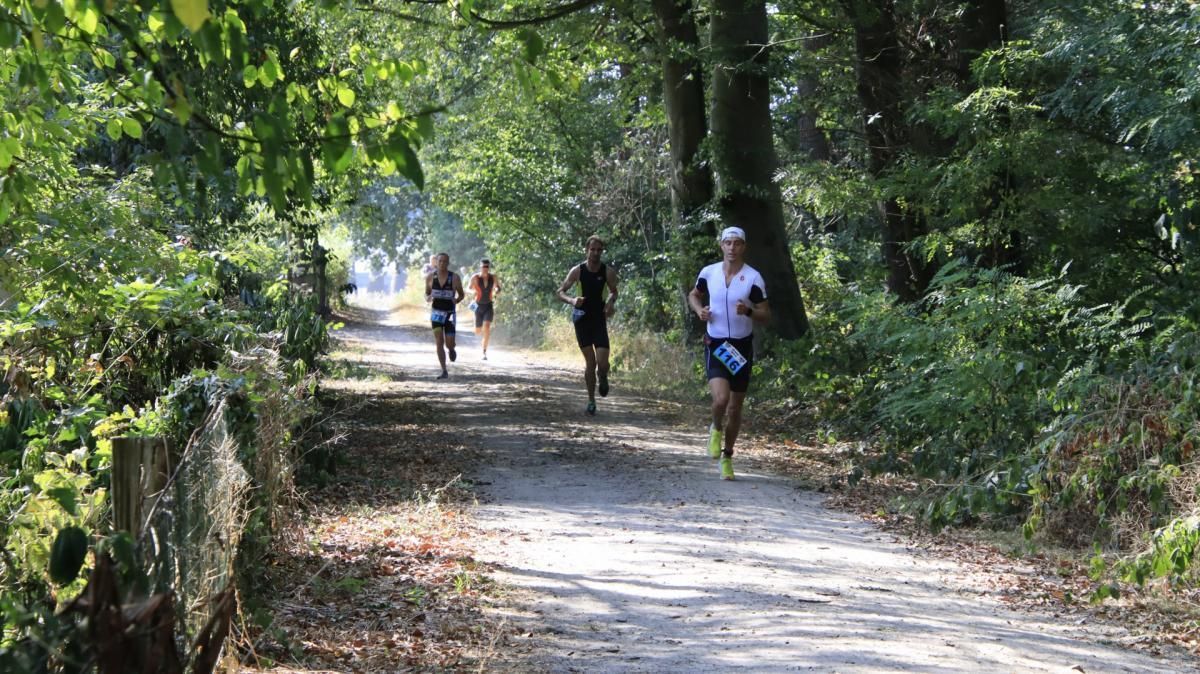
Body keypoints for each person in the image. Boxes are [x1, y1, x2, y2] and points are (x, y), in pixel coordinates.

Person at [687, 226, 771, 480]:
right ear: (721, 245)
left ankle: (728, 456)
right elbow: (694, 294)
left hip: (741, 347)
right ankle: (714, 429)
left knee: (735, 409)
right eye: (728, 243)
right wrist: (699, 310)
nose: (732, 248)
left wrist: (748, 312)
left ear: (743, 247)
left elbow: (766, 315)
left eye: (737, 243)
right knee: (721, 400)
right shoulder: (709, 273)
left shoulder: (753, 278)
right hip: (717, 344)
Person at [556, 235, 618, 416]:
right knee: (590, 363)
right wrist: (572, 300)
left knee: (602, 362)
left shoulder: (607, 272)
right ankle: (591, 400)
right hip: (581, 320)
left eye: (599, 250)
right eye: (593, 249)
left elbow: (614, 292)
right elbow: (560, 292)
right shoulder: (578, 271)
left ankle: (604, 376)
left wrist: (610, 303)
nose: (596, 253)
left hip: (599, 319)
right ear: (587, 250)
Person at [424, 252, 465, 379]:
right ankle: (444, 370)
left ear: (448, 263)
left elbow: (461, 295)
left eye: (445, 261)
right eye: (440, 261)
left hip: (450, 314)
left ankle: (452, 349)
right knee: (439, 342)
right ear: (436, 262)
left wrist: (456, 300)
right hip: (436, 313)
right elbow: (426, 294)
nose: (442, 264)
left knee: (449, 343)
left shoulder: (455, 278)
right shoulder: (430, 277)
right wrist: (428, 298)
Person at [468, 259, 501, 360]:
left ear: (489, 267)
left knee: (486, 327)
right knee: (478, 331)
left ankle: (484, 351)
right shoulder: (475, 277)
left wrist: (497, 290)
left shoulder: (493, 277)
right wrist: (472, 292)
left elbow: (498, 287)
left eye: (487, 267)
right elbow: (468, 288)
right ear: (480, 267)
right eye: (483, 267)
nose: (485, 269)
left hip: (488, 305)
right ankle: (482, 338)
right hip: (477, 305)